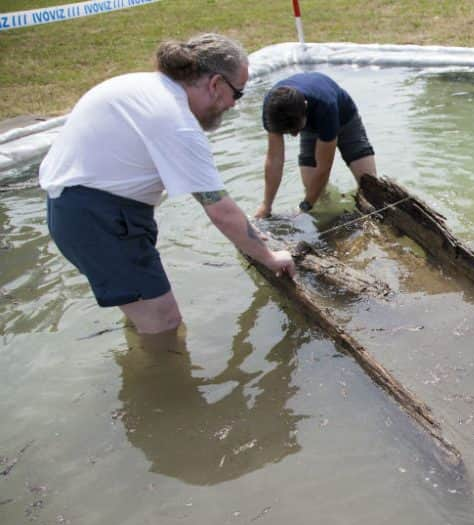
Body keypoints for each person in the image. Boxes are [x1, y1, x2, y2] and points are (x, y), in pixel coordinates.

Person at [39, 33, 295, 336]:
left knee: (142, 312)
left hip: (79, 210)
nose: (233, 106)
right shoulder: (177, 121)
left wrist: (251, 238)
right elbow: (220, 210)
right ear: (215, 84)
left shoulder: (143, 87)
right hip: (99, 219)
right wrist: (270, 257)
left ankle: (140, 354)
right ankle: (155, 379)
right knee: (164, 323)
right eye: (236, 94)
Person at [255, 72, 377, 218]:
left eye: (295, 130)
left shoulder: (325, 105)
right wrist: (266, 205)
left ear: (305, 106)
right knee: (315, 192)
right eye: (288, 132)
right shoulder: (272, 109)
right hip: (308, 126)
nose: (294, 135)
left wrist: (305, 207)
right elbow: (274, 160)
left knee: (370, 186)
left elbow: (324, 167)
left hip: (345, 119)